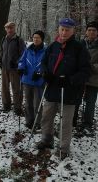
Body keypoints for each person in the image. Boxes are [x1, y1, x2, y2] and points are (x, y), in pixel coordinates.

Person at [36, 18, 90, 159]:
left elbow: (85, 71)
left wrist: (70, 80)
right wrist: (44, 73)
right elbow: (43, 62)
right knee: (46, 117)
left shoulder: (79, 48)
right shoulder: (53, 46)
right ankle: (46, 140)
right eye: (62, 29)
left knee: (65, 122)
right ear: (58, 30)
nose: (64, 32)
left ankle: (63, 148)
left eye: (67, 30)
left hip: (69, 93)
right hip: (51, 89)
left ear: (73, 31)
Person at [73, 21, 98, 132]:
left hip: (94, 78)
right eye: (89, 30)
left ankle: (87, 124)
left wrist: (90, 67)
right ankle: (73, 121)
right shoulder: (81, 43)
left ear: (97, 32)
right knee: (76, 99)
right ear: (86, 31)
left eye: (94, 30)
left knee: (90, 102)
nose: (91, 32)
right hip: (80, 77)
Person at [18, 30, 46, 129]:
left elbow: (47, 65)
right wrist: (21, 68)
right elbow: (21, 61)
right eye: (34, 37)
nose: (35, 39)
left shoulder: (46, 51)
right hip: (27, 80)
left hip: (38, 81)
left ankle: (37, 122)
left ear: (42, 39)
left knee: (37, 103)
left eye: (38, 37)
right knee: (28, 103)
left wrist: (40, 73)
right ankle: (29, 120)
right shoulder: (28, 49)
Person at [0, 22, 26, 115]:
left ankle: (18, 108)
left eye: (11, 28)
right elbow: (2, 52)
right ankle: (6, 105)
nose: (9, 30)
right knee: (5, 88)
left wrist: (17, 63)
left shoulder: (19, 40)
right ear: (5, 29)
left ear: (14, 29)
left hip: (14, 69)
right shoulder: (3, 39)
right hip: (4, 68)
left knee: (16, 89)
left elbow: (23, 54)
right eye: (7, 28)